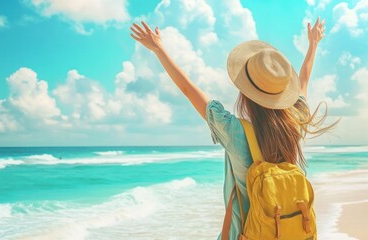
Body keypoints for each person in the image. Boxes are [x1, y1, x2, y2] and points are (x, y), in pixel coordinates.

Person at [130, 17, 338, 239]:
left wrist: (159, 48)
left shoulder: (236, 131)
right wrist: (313, 45)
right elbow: (303, 84)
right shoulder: (294, 121)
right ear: (283, 92)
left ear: (246, 92)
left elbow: (188, 90)